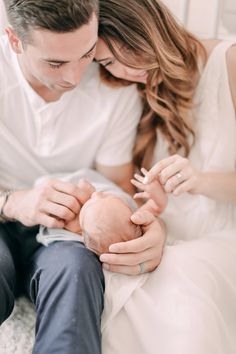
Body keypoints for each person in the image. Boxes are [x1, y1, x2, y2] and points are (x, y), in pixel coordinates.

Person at [0, 1, 162, 353]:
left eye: (87, 54)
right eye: (55, 63)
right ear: (14, 40)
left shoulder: (114, 86)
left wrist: (138, 224)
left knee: (76, 274)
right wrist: (12, 202)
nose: (74, 77)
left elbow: (118, 185)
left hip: (66, 237)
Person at [94, 1, 236, 353]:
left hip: (226, 235)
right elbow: (136, 188)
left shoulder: (229, 65)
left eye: (128, 47)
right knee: (120, 286)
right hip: (168, 236)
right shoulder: (134, 89)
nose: (127, 68)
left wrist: (201, 180)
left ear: (151, 27)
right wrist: (152, 203)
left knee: (183, 278)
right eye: (109, 62)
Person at [36, 168, 167, 255]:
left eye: (88, 204)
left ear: (80, 231)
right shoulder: (131, 216)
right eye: (107, 196)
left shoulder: (71, 223)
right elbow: (155, 208)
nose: (97, 194)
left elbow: (81, 183)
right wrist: (157, 194)